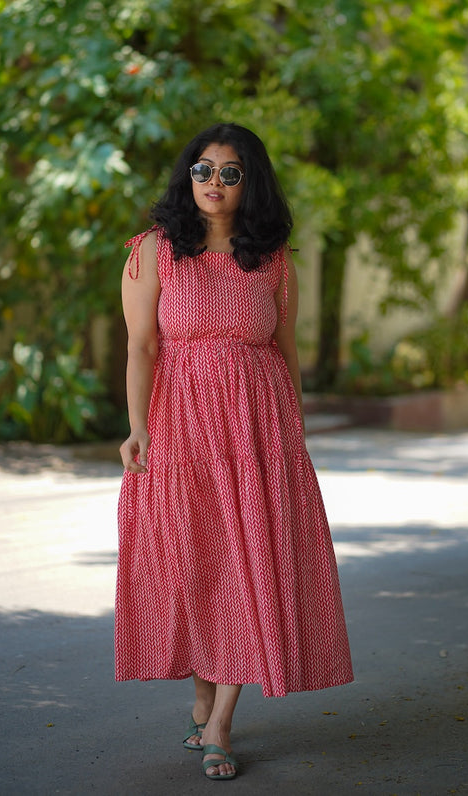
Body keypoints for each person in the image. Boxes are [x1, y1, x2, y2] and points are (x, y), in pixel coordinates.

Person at [116, 122, 353, 781]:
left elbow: (286, 350)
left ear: (251, 183)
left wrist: (295, 434)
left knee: (250, 563)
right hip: (180, 426)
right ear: (185, 176)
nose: (213, 183)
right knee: (192, 562)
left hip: (258, 433)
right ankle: (202, 692)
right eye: (202, 169)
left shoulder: (272, 259)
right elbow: (141, 347)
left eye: (229, 172)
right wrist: (137, 427)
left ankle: (221, 721)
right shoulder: (153, 251)